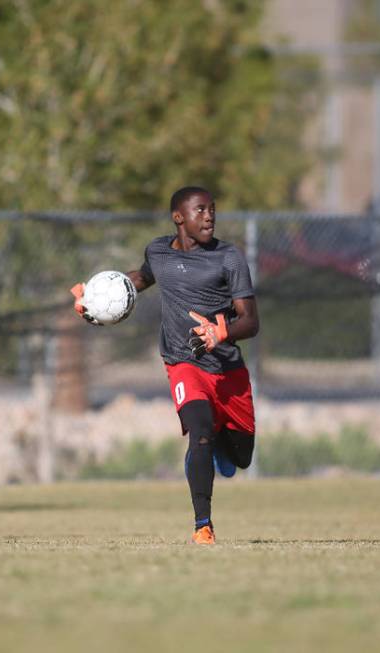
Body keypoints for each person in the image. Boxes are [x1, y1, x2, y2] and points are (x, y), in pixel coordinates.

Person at [72, 186, 259, 544]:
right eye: (200, 210)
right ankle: (203, 526)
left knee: (242, 456)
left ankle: (222, 438)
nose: (209, 216)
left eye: (212, 210)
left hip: (229, 370)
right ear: (178, 218)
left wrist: (222, 333)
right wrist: (93, 301)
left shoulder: (229, 257)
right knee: (199, 431)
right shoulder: (158, 251)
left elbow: (251, 321)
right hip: (183, 362)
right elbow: (140, 278)